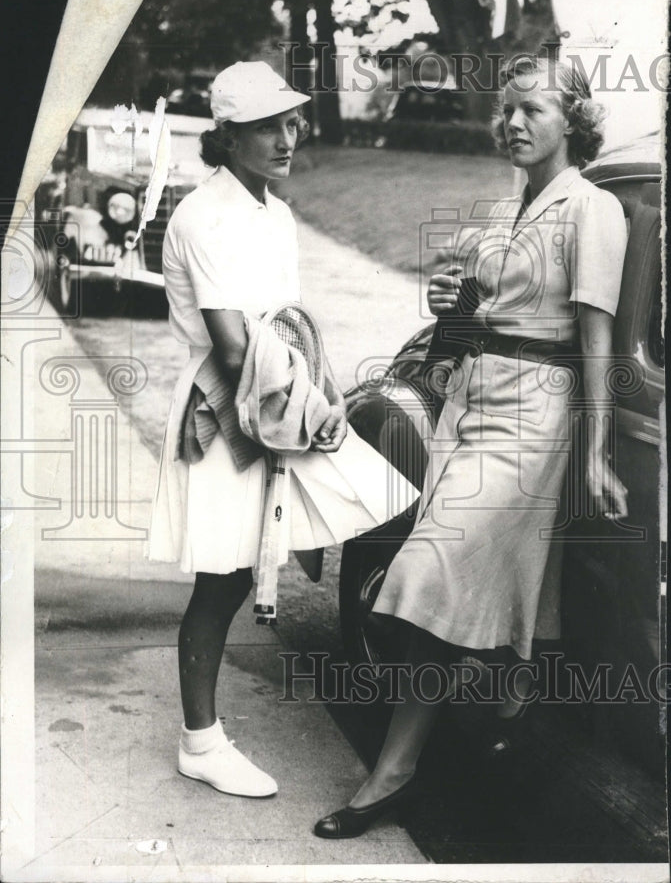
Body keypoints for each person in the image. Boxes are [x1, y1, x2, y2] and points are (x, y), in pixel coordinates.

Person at [314, 54, 629, 838]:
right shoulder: (504, 209)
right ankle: (505, 684)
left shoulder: (593, 210)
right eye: (508, 110)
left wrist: (593, 453)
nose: (514, 122)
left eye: (534, 110)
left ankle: (398, 770)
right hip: (468, 406)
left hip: (534, 416)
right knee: (454, 588)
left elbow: (595, 337)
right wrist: (448, 318)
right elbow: (467, 309)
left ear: (573, 122)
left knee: (423, 579)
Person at [146, 61, 417, 799]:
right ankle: (198, 741)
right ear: (229, 137)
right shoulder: (203, 215)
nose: (287, 137)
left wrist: (320, 397)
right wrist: (311, 409)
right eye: (268, 125)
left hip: (278, 399)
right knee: (223, 576)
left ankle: (409, 694)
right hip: (225, 406)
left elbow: (288, 332)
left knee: (382, 503)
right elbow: (235, 349)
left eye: (292, 122)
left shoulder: (274, 212)